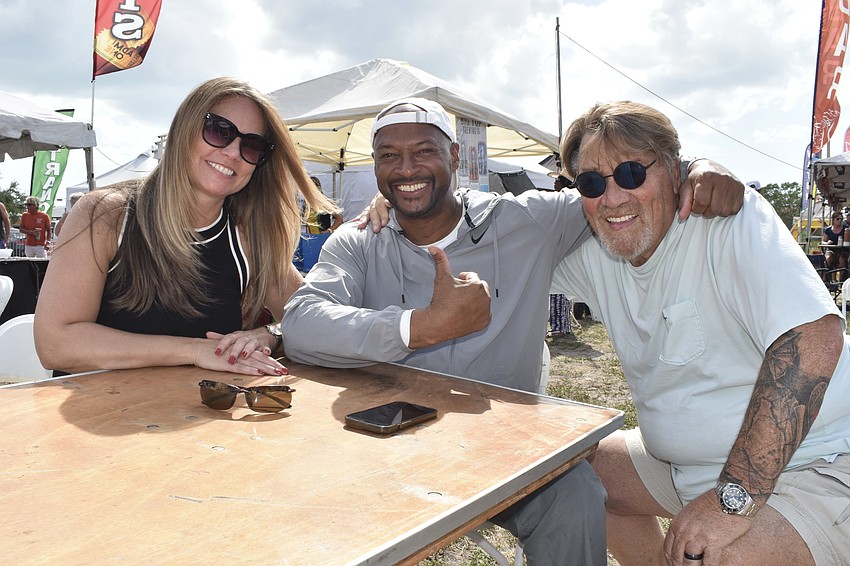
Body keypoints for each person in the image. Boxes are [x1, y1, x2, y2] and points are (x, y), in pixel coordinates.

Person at [281, 97, 744, 565]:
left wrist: (698, 166)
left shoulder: (526, 221)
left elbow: (620, 181)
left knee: (574, 489)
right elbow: (300, 323)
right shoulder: (360, 241)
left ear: (456, 158)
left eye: (423, 151)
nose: (406, 168)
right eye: (388, 156)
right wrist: (418, 327)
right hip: (380, 448)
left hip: (498, 455)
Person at [550, 101, 850, 566]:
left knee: (718, 557)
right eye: (591, 182)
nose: (612, 198)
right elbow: (500, 253)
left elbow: (814, 338)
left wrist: (734, 498)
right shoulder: (595, 253)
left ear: (674, 173)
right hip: (685, 467)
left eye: (631, 173)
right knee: (575, 475)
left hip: (815, 460)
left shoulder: (729, 221)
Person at [34, 77, 337, 376]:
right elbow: (56, 343)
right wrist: (193, 351)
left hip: (201, 417)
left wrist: (270, 334)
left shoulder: (247, 235)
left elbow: (312, 319)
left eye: (253, 146)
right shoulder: (105, 215)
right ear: (184, 129)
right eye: (219, 131)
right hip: (95, 416)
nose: (233, 152)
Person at [549, 174, 572, 336]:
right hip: (564, 251)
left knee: (558, 293)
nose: (554, 184)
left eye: (556, 181)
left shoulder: (562, 202)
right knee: (562, 293)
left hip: (561, 252)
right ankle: (563, 326)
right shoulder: (567, 202)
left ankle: (560, 327)